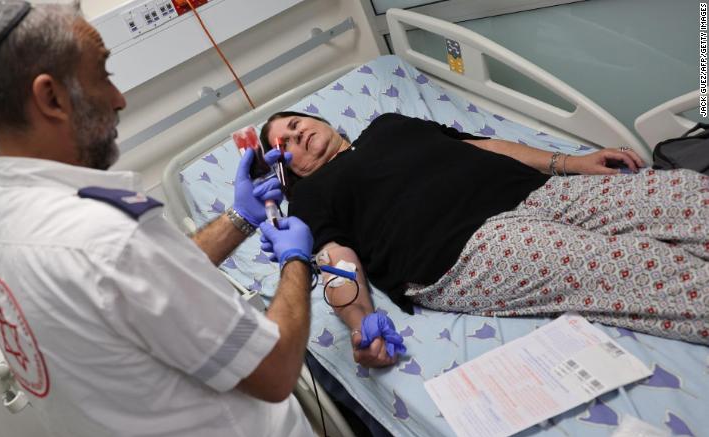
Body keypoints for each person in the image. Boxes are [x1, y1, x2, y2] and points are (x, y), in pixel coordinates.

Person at [0, 2, 314, 437]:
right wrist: (296, 261)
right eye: (103, 75)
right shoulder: (108, 234)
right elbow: (275, 371)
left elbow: (139, 293)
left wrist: (241, 217)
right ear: (50, 97)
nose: (119, 98)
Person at [258, 110, 709, 368]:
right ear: (287, 169)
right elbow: (336, 258)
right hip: (463, 247)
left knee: (685, 194)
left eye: (297, 122)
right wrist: (360, 323)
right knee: (633, 265)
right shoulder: (311, 197)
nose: (297, 132)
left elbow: (480, 145)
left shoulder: (388, 124)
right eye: (287, 142)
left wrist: (568, 163)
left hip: (537, 192)